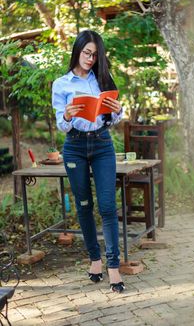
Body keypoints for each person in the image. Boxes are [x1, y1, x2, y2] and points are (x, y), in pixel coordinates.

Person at [52, 30, 125, 293]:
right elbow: (62, 125)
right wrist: (69, 116)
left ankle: (113, 266)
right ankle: (95, 260)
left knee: (107, 206)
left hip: (103, 144)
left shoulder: (102, 79)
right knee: (84, 206)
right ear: (77, 50)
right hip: (75, 146)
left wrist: (118, 111)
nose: (91, 58)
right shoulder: (61, 84)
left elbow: (111, 117)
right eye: (87, 52)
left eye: (95, 54)